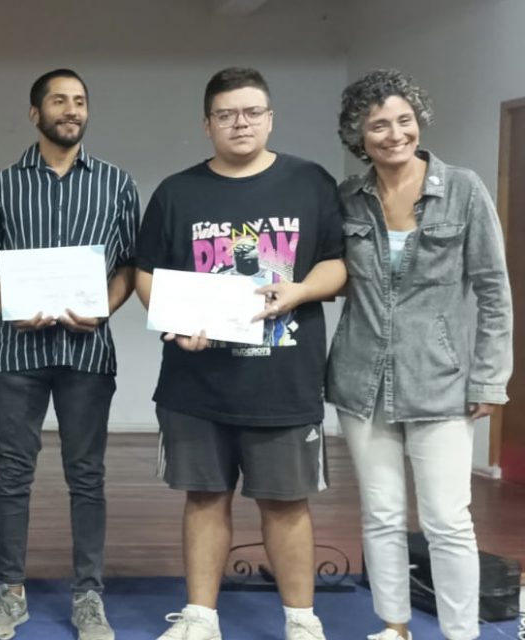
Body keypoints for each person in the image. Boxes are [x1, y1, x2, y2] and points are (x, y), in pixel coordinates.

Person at [133, 67, 344, 640]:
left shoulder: (311, 182)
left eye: (252, 111)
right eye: (227, 114)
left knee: (286, 503)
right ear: (207, 125)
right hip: (196, 383)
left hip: (284, 379)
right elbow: (145, 273)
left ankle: (302, 621)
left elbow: (338, 263)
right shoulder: (177, 193)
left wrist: (300, 290)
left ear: (270, 117)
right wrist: (177, 321)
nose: (241, 122)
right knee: (204, 497)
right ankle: (201, 618)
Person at [328, 69, 512, 640]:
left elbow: (493, 290)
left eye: (403, 120)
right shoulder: (347, 199)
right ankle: (395, 627)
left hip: (441, 382)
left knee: (447, 521)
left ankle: (461, 633)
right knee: (382, 516)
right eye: (378, 125)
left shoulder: (464, 188)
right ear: (359, 135)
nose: (394, 134)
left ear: (419, 121)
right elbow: (325, 275)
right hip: (362, 381)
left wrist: (489, 379)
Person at [0, 69, 139, 640]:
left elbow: (130, 267)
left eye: (80, 101)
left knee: (87, 476)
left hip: (88, 351)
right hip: (18, 350)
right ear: (35, 114)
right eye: (58, 101)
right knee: (13, 473)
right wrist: (7, 307)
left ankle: (89, 596)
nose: (71, 110)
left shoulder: (117, 184)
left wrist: (105, 309)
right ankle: (9, 592)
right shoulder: (1, 185)